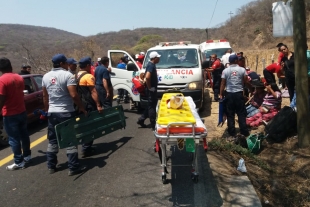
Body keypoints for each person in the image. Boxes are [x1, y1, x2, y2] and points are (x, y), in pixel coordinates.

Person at [42, 54, 87, 175]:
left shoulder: (45, 76)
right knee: (70, 140)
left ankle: (51, 166)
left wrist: (47, 110)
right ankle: (73, 167)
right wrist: (81, 107)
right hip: (66, 112)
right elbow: (73, 95)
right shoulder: (67, 75)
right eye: (66, 63)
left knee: (52, 140)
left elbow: (45, 96)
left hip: (52, 113)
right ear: (61, 64)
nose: (68, 64)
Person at [0, 57, 31, 170]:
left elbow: (1, 98)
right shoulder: (19, 78)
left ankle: (19, 161)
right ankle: (27, 156)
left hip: (10, 113)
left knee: (13, 139)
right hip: (21, 111)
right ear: (11, 66)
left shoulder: (2, 80)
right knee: (24, 135)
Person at [76, 57, 103, 157]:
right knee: (90, 126)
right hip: (88, 105)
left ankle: (85, 145)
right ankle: (86, 149)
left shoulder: (75, 75)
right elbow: (93, 91)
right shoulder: (88, 77)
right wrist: (98, 105)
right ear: (87, 65)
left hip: (79, 105)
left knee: (83, 126)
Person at [219, 54, 249, 138]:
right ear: (236, 60)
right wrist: (252, 88)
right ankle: (244, 131)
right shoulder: (242, 69)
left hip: (229, 94)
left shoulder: (225, 71)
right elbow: (246, 81)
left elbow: (223, 83)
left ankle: (232, 132)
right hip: (239, 94)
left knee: (230, 113)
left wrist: (221, 94)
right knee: (241, 113)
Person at [137, 51, 160, 130]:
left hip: (152, 89)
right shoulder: (151, 65)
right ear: (154, 58)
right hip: (151, 90)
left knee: (151, 105)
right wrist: (150, 87)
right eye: (158, 57)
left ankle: (141, 119)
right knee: (152, 107)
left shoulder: (151, 65)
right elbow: (147, 77)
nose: (159, 58)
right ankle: (153, 125)